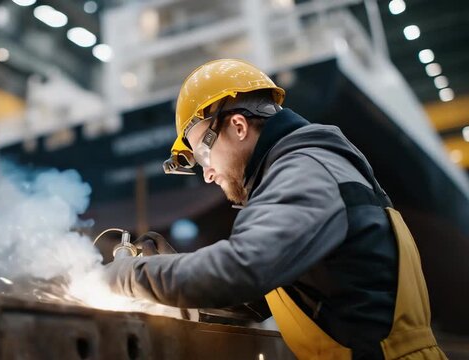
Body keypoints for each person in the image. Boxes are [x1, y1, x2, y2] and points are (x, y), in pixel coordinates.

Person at [104, 59, 447, 359]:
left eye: (205, 155)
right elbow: (259, 294)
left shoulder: (305, 170)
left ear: (238, 126)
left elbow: (239, 271)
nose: (207, 174)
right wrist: (171, 269)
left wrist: (124, 277)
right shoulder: (305, 167)